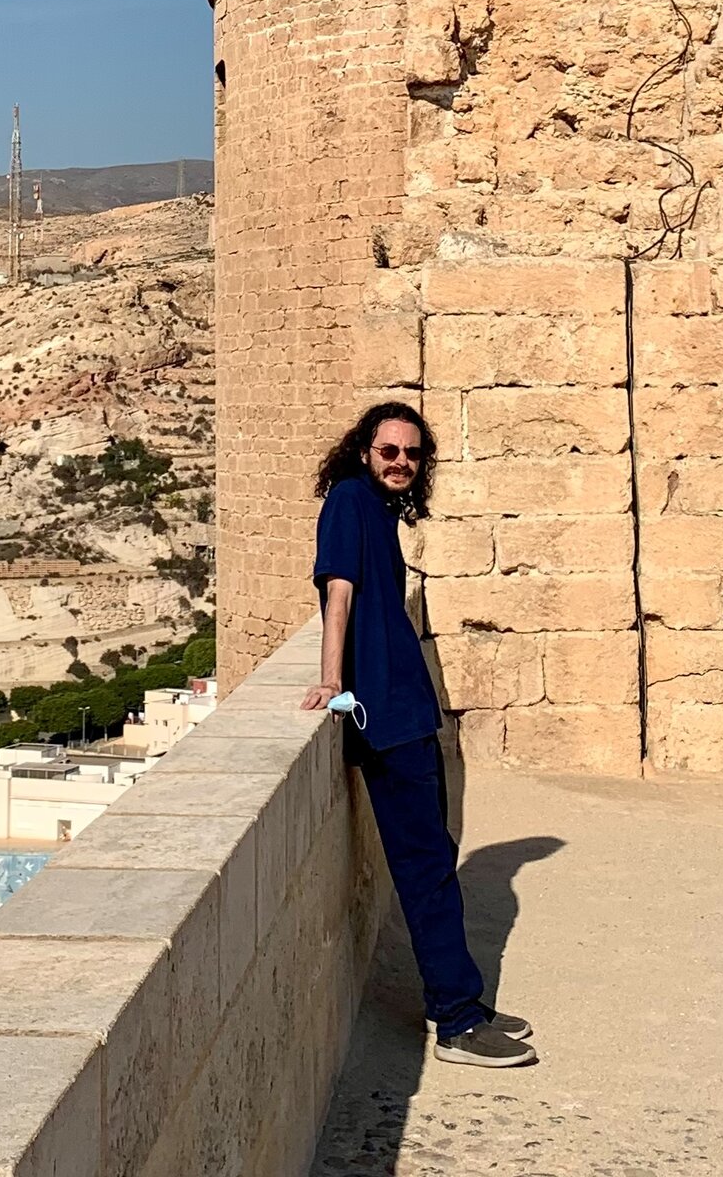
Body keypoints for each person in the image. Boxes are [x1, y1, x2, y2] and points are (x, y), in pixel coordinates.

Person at [301, 400, 538, 1068]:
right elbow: (337, 593)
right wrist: (329, 680)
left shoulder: (380, 510)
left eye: (411, 454)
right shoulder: (349, 500)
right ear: (363, 453)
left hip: (409, 711)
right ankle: (457, 1024)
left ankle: (461, 999)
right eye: (389, 452)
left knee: (434, 860)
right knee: (426, 868)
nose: (401, 463)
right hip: (385, 719)